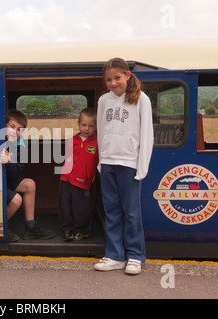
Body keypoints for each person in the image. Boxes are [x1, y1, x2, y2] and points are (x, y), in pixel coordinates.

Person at [94, 58, 153, 275]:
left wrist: (142, 166)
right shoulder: (103, 101)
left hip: (129, 164)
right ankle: (115, 256)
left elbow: (147, 134)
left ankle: (135, 256)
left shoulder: (141, 99)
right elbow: (102, 131)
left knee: (131, 212)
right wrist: (101, 161)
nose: (112, 83)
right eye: (108, 79)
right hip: (109, 162)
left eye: (117, 78)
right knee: (111, 211)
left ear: (127, 76)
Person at [1, 109, 55, 242]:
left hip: (8, 179)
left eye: (19, 129)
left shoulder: (20, 146)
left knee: (30, 184)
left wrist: (9, 161)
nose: (15, 132)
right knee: (16, 199)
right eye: (12, 126)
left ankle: (30, 227)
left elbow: (14, 174)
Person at [58, 108, 99, 241]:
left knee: (81, 208)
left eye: (91, 126)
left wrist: (92, 175)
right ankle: (67, 229)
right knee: (66, 205)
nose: (87, 128)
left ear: (96, 126)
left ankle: (82, 230)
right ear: (78, 124)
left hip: (83, 181)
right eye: (84, 125)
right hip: (66, 178)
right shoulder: (72, 140)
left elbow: (99, 161)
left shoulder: (97, 142)